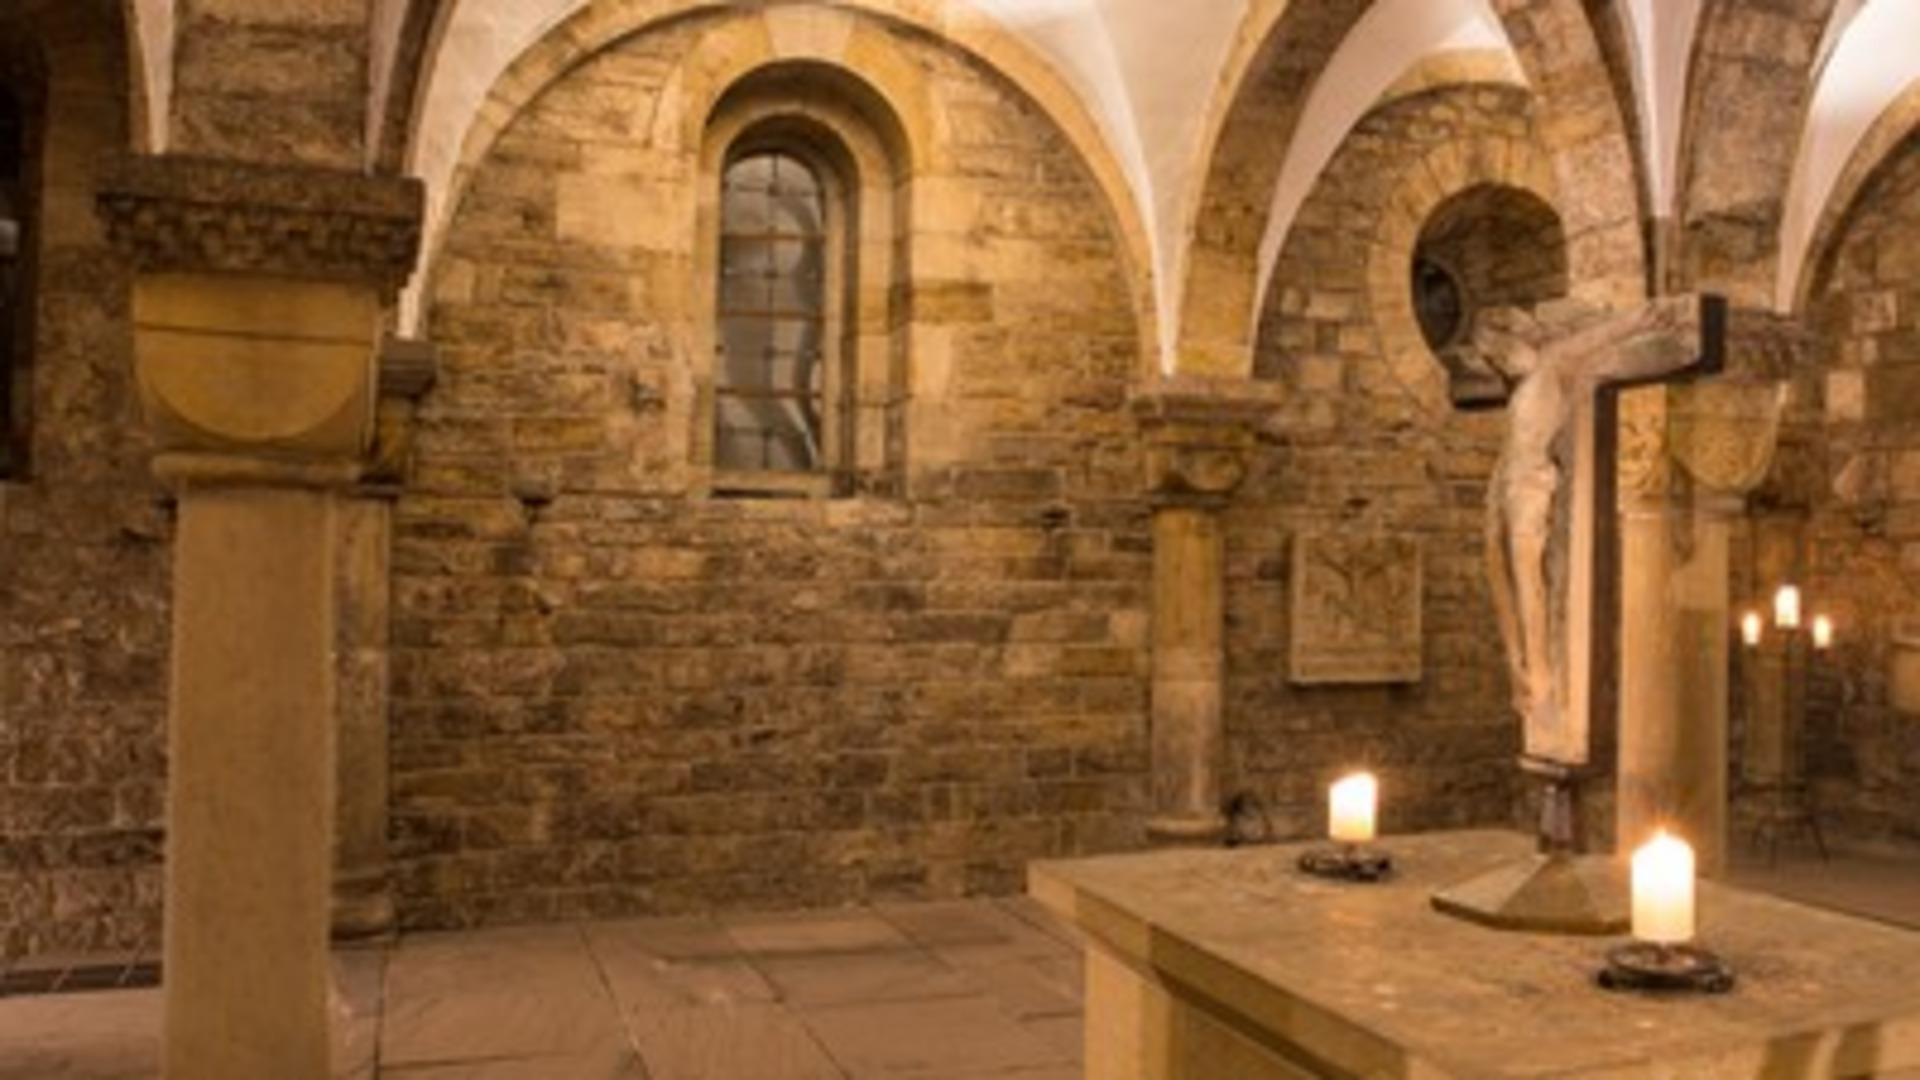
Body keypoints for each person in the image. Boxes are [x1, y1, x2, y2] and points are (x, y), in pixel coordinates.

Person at [1465, 296, 1703, 768]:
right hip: (1505, 487)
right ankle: (1519, 667)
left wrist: (1639, 317)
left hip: (1530, 486)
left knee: (1528, 580)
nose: (1506, 357)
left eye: (1507, 345)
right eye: (1499, 354)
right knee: (1500, 579)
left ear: (1525, 342)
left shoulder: (1552, 367)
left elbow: (1589, 341)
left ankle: (1540, 674)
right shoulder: (1524, 386)